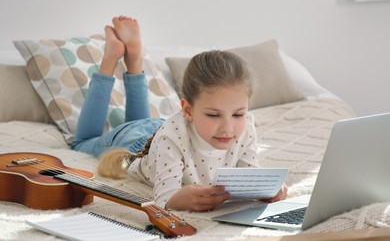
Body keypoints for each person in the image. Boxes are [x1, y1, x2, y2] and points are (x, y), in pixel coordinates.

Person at [71, 16, 288, 212]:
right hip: (134, 143)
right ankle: (111, 58)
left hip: (159, 131)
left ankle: (135, 58)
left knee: (142, 122)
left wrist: (267, 190)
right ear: (187, 110)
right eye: (213, 115)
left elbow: (248, 178)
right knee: (81, 142)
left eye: (238, 114)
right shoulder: (171, 139)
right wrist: (179, 199)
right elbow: (163, 199)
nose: (228, 128)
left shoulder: (247, 127)